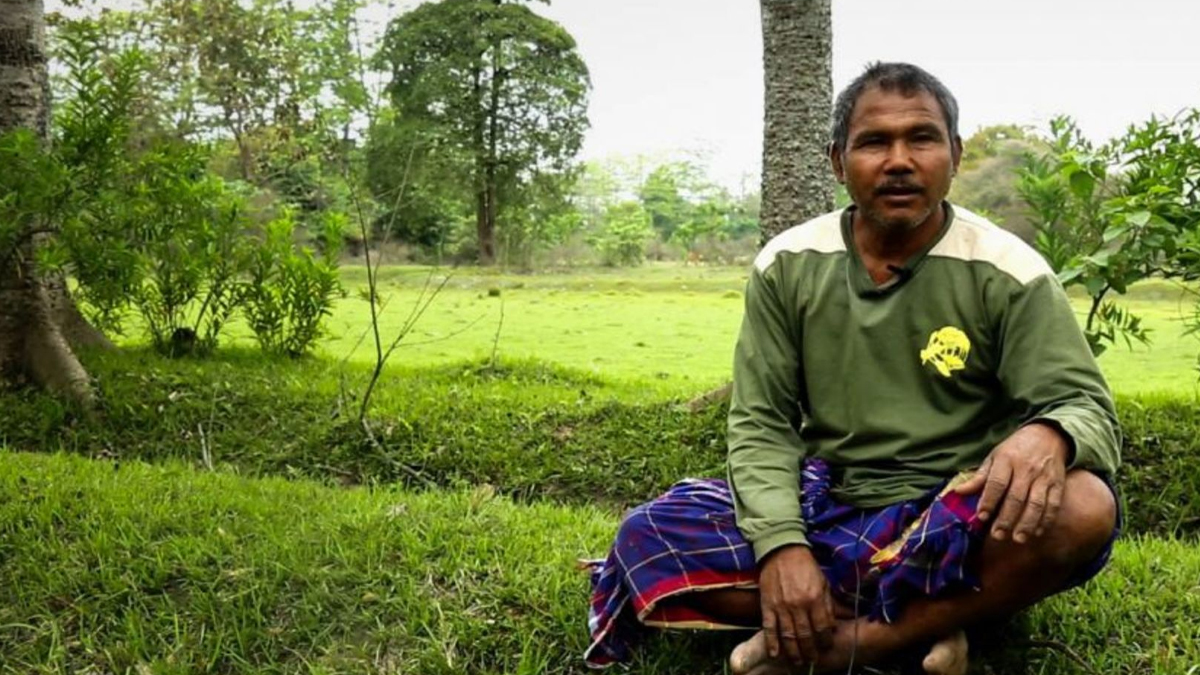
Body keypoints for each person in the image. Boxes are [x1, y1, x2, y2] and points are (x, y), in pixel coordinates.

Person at [582, 62, 1120, 675]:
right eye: (873, 142)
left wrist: (1047, 434)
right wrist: (783, 547)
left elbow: (1088, 408)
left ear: (955, 153)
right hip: (831, 498)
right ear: (838, 162)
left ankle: (857, 644)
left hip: (953, 506)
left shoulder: (1008, 271)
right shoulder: (789, 264)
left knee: (1083, 507)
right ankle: (937, 622)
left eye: (921, 138)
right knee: (646, 538)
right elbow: (762, 423)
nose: (898, 160)